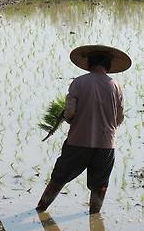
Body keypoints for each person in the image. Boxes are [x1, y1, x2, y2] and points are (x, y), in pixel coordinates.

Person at [36, 45, 130, 214]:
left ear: (89, 64)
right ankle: (94, 217)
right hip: (106, 145)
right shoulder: (116, 86)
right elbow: (119, 118)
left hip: (78, 142)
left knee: (59, 178)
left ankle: (41, 209)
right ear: (108, 65)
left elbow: (70, 113)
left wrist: (68, 117)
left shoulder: (79, 82)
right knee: (100, 185)